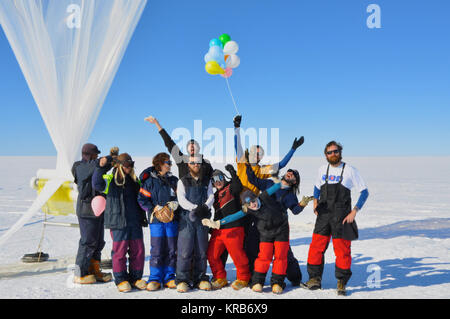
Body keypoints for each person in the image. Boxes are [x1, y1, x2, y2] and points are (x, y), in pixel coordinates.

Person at [233, 115, 305, 275]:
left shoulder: (264, 169)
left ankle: (253, 273)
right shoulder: (241, 163)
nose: (257, 156)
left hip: (254, 207)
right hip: (238, 205)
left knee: (253, 241)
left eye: (260, 154)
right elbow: (237, 146)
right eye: (255, 153)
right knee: (237, 241)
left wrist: (293, 149)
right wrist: (236, 127)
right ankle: (242, 273)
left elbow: (282, 164)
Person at [202, 181, 293, 294]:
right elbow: (233, 216)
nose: (252, 205)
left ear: (256, 198)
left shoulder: (263, 197)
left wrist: (282, 183)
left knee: (280, 256)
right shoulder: (249, 209)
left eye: (253, 201)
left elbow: (272, 189)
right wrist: (218, 223)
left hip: (281, 230)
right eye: (249, 203)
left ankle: (277, 283)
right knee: (264, 257)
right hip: (266, 233)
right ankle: (257, 282)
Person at [305, 141, 369, 296]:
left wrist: (354, 211)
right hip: (324, 215)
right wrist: (315, 201)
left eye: (335, 151)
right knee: (316, 248)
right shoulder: (322, 169)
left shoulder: (350, 170)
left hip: (342, 217)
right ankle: (314, 279)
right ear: (325, 155)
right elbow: (316, 186)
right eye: (329, 152)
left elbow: (364, 192)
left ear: (340, 152)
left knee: (342, 251)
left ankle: (341, 282)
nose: (333, 154)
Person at [246, 164, 313, 286]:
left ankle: (295, 277)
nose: (290, 173)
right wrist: (249, 169)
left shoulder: (290, 195)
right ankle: (253, 279)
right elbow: (253, 180)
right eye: (289, 171)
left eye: (294, 174)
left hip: (279, 226)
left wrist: (302, 205)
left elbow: (295, 210)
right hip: (261, 223)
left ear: (295, 182)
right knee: (253, 249)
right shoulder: (270, 184)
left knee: (284, 254)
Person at [92, 151, 148, 293]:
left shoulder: (135, 181)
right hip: (118, 221)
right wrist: (101, 166)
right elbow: (97, 184)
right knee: (119, 252)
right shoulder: (111, 179)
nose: (129, 168)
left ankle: (135, 278)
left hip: (134, 221)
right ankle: (121, 279)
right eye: (127, 165)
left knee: (138, 251)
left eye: (131, 164)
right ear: (120, 166)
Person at [137, 152, 179, 291]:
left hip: (172, 220)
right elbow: (142, 199)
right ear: (160, 164)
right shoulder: (150, 182)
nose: (170, 165)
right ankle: (155, 278)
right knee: (157, 249)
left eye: (170, 162)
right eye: (168, 162)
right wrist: (153, 208)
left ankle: (169, 277)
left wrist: (175, 204)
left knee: (172, 249)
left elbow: (181, 197)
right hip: (156, 221)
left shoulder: (174, 180)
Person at [71, 143, 111, 284]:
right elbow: (92, 167)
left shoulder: (93, 165)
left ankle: (94, 270)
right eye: (95, 154)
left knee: (98, 242)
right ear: (88, 154)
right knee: (87, 242)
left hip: (98, 209)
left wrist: (112, 160)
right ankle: (79, 274)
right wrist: (101, 161)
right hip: (86, 210)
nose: (97, 156)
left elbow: (100, 167)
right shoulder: (79, 166)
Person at [206, 165, 251, 290]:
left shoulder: (231, 187)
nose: (218, 181)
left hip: (234, 228)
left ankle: (243, 278)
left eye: (219, 177)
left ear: (224, 177)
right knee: (211, 254)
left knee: (237, 255)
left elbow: (238, 186)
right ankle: (220, 277)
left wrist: (233, 172)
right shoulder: (214, 196)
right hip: (219, 229)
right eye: (214, 180)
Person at [175, 155, 215, 293]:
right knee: (185, 251)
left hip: (202, 220)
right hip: (187, 220)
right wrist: (194, 207)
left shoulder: (206, 180)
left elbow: (211, 195)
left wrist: (205, 206)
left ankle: (200, 278)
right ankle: (182, 280)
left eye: (198, 162)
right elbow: (181, 199)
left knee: (201, 251)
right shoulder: (183, 181)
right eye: (193, 163)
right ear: (188, 165)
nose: (196, 165)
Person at [145, 116, 213, 180]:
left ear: (198, 148)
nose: (192, 146)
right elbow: (169, 143)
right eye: (189, 145)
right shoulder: (181, 160)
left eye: (194, 145)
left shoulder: (206, 164)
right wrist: (157, 123)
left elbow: (214, 181)